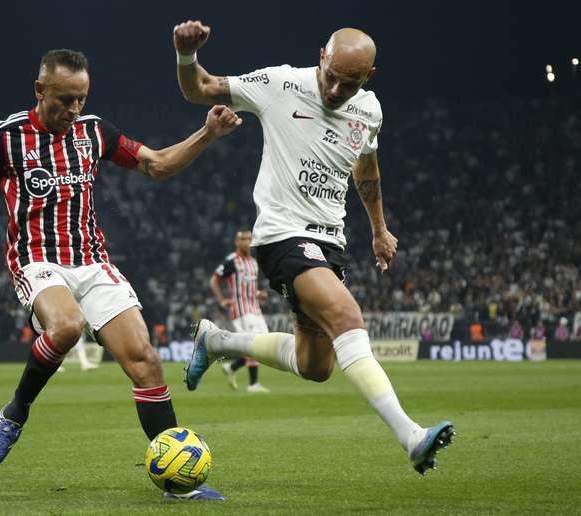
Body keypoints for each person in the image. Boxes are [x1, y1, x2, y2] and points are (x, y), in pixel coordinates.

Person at [0, 48, 242, 500]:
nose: (74, 109)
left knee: (146, 361)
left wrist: (208, 133)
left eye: (81, 99)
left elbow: (156, 165)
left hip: (93, 262)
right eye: (65, 100)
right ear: (41, 90)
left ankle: (178, 483)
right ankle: (16, 411)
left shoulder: (94, 132)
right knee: (67, 326)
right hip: (37, 260)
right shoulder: (5, 137)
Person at [172, 21, 454, 474]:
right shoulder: (281, 83)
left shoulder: (369, 111)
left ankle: (219, 340)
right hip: (283, 235)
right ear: (322, 55)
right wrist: (187, 56)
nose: (337, 88)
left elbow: (367, 170)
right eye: (333, 75)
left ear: (370, 77)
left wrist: (379, 229)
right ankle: (411, 435)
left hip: (330, 242)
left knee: (315, 365)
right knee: (347, 317)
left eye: (352, 82)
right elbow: (200, 87)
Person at [210, 229, 270, 392]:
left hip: (255, 309)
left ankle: (232, 367)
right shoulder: (231, 261)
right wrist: (222, 300)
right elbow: (214, 280)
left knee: (264, 345)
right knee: (253, 345)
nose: (247, 242)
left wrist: (259, 294)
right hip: (241, 311)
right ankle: (253, 384)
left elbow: (249, 287)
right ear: (237, 242)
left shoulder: (253, 262)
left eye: (249, 239)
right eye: (243, 239)